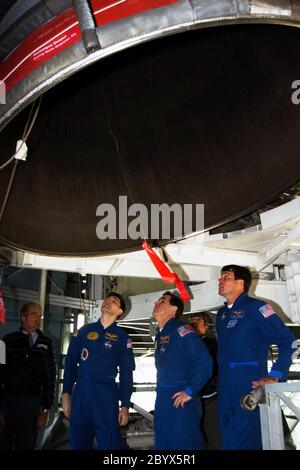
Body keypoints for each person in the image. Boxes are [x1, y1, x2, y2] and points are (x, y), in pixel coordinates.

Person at [216, 264, 296, 450]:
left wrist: (276, 375)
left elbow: (288, 343)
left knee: (243, 442)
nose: (220, 280)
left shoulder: (257, 308)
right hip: (225, 387)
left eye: (226, 277)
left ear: (240, 283)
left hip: (248, 386)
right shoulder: (221, 314)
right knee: (227, 441)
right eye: (220, 277)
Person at [62, 292, 135, 450]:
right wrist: (66, 393)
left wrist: (125, 405)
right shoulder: (83, 332)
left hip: (106, 396)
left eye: (114, 300)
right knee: (77, 443)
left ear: (120, 312)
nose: (108, 301)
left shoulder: (123, 338)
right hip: (81, 393)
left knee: (110, 444)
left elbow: (126, 374)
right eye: (107, 298)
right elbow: (70, 363)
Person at [153, 291, 212, 450]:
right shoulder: (161, 334)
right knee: (163, 445)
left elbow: (205, 362)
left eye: (162, 301)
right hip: (163, 397)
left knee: (184, 444)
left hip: (180, 398)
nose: (156, 303)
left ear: (173, 309)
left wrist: (190, 390)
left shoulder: (182, 329)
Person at [0, 303, 56, 449]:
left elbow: (50, 376)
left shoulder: (46, 343)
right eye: (34, 315)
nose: (38, 318)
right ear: (23, 318)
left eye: (40, 315)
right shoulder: (7, 340)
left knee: (26, 443)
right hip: (8, 401)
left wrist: (46, 408)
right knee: (4, 440)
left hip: (32, 403)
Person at [189, 312, 220, 450]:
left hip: (210, 398)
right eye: (191, 320)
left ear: (206, 327)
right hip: (191, 398)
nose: (193, 322)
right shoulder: (186, 345)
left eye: (198, 320)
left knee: (213, 435)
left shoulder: (212, 344)